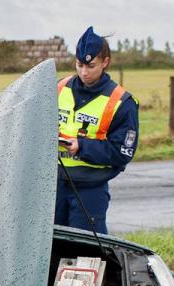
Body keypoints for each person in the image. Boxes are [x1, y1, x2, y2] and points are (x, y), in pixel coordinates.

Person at [55, 27, 139, 234]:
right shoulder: (58, 88)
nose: (84, 72)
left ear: (105, 62)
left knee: (86, 255)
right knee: (49, 251)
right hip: (54, 185)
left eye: (91, 66)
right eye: (79, 65)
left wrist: (81, 147)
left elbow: (122, 153)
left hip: (90, 190)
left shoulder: (122, 102)